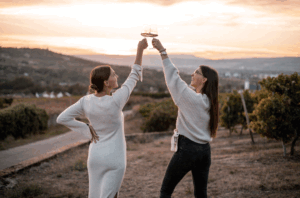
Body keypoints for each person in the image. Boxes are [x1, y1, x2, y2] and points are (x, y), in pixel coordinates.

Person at [56, 38, 148, 198]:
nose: (117, 75)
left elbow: (62, 118)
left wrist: (86, 129)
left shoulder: (86, 101)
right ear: (106, 83)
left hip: (95, 158)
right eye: (114, 74)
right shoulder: (116, 100)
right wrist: (140, 49)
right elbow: (134, 75)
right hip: (115, 160)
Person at [152, 38, 219, 198]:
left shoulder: (191, 98)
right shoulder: (210, 101)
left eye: (196, 72)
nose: (192, 74)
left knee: (165, 191)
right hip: (204, 151)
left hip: (187, 150)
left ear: (204, 80)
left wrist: (162, 51)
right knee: (201, 193)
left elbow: (173, 78)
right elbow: (184, 87)